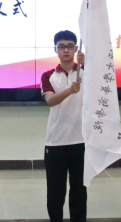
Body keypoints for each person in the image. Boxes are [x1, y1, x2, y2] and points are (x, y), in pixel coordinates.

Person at [40, 30, 86, 222]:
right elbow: (50, 101)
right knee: (55, 192)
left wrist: (86, 64)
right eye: (61, 46)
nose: (66, 50)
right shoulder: (48, 76)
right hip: (56, 142)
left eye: (70, 46)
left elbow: (102, 87)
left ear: (76, 49)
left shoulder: (86, 73)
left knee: (79, 191)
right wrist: (69, 91)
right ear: (56, 49)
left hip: (81, 141)